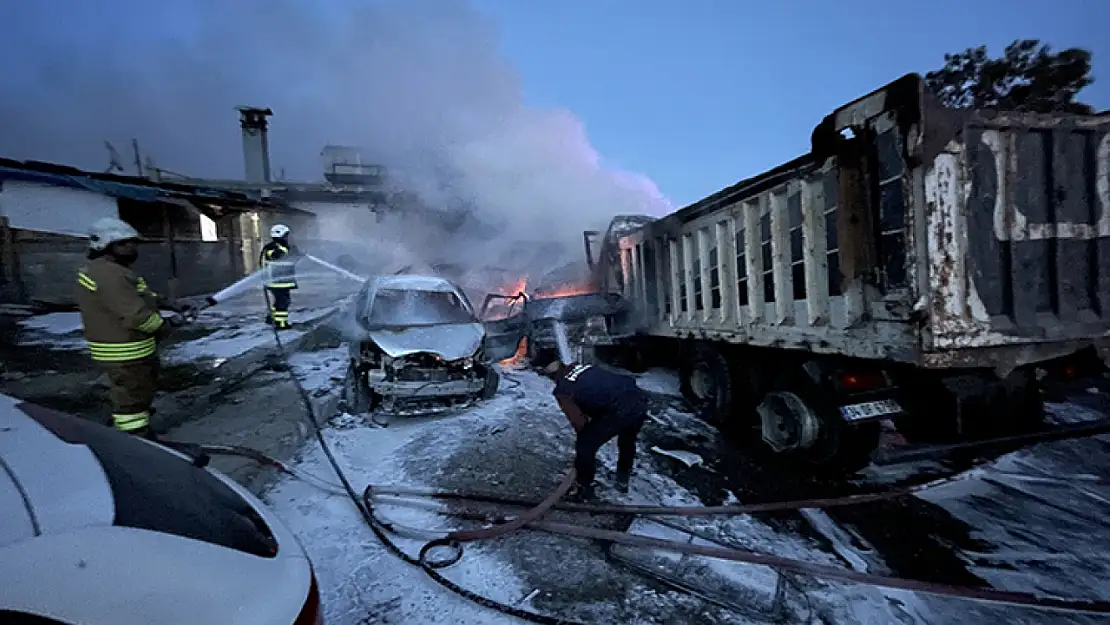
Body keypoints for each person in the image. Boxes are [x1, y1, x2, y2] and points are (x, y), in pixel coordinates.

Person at [75, 217, 188, 439]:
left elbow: (138, 296)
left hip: (125, 347)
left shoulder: (109, 270)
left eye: (133, 243)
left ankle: (135, 417)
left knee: (137, 390)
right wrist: (168, 324)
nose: (132, 248)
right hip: (125, 350)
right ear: (108, 245)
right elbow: (136, 315)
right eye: (125, 243)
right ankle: (135, 436)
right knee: (131, 395)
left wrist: (168, 303)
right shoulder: (110, 275)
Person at [539, 356, 650, 501]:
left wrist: (586, 441)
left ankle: (585, 489)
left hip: (618, 410)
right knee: (627, 439)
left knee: (585, 446)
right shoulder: (584, 367)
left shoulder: (562, 391)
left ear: (551, 377)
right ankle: (623, 479)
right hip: (637, 399)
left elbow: (580, 423)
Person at [259, 224, 299, 330]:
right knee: (283, 302)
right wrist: (290, 252)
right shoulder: (272, 247)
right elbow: (275, 256)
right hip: (276, 281)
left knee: (280, 301)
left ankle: (271, 318)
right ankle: (281, 323)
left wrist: (296, 254)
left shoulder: (283, 247)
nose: (287, 237)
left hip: (282, 281)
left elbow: (291, 259)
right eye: (286, 235)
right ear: (280, 235)